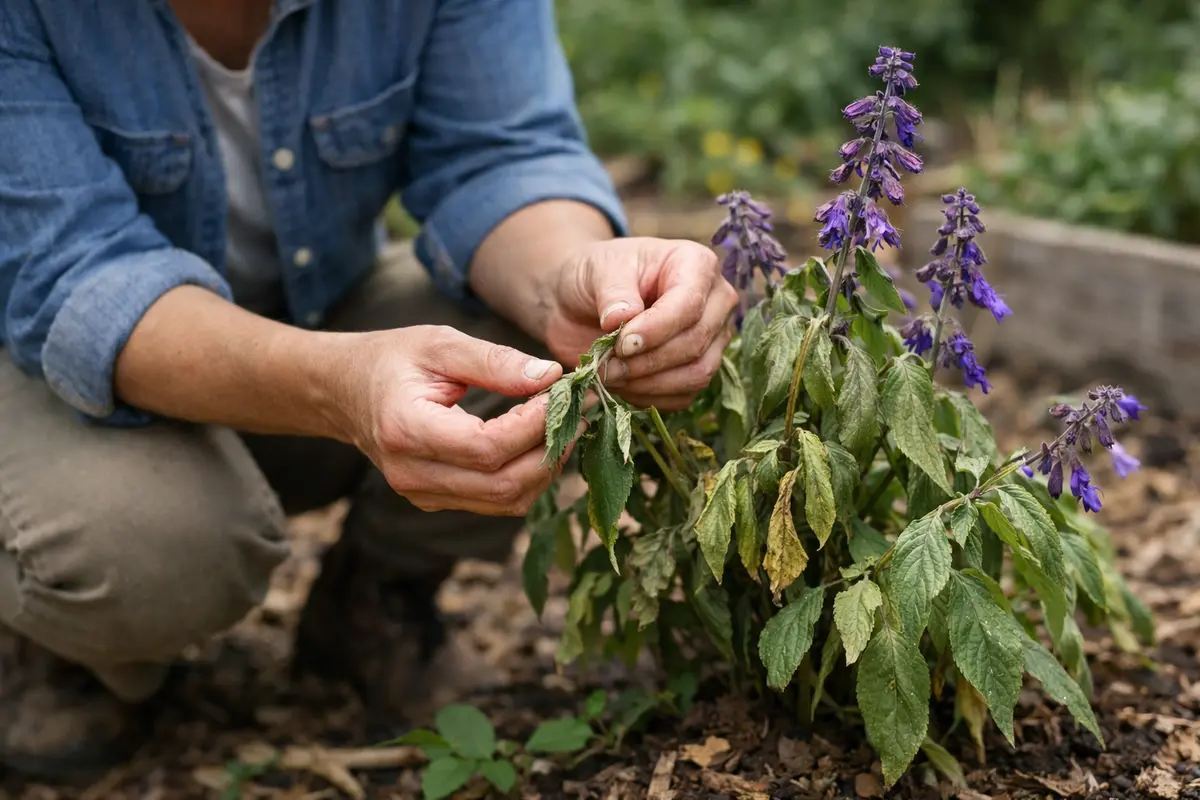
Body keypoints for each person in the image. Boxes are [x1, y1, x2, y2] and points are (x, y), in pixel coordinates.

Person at [0, 0, 738, 781]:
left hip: (306, 312)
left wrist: (574, 280)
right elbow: (76, 278)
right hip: (37, 364)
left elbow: (500, 154)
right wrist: (339, 386)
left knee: (544, 345)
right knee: (150, 552)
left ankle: (373, 599)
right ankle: (50, 633)